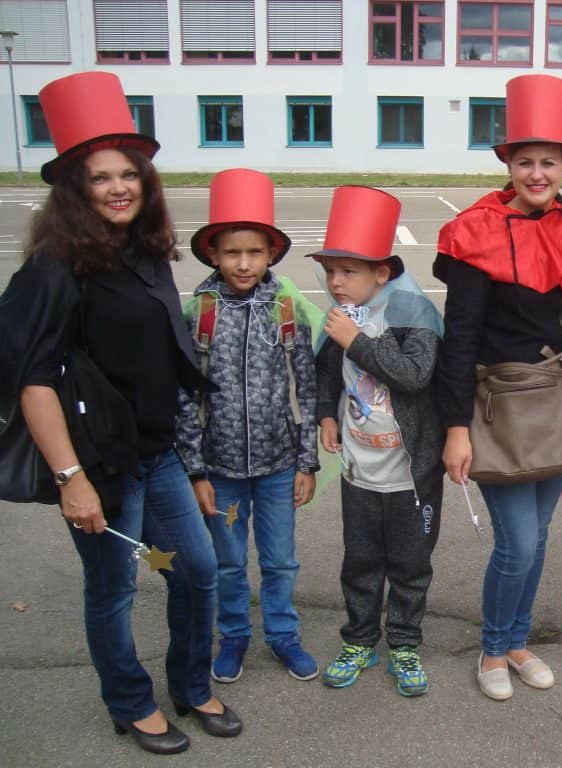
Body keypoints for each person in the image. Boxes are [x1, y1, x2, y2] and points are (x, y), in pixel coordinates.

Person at [0, 72, 240, 754]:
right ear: (74, 188)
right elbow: (32, 380)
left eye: (127, 173)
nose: (117, 188)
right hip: (101, 467)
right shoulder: (55, 269)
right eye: (98, 177)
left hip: (158, 456)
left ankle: (192, 686)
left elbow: (164, 367)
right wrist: (70, 477)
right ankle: (129, 702)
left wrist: (191, 462)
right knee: (112, 590)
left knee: (195, 570)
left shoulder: (146, 253)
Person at [433, 74, 562, 701]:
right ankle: (494, 647)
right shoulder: (476, 230)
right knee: (518, 544)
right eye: (525, 161)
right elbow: (460, 339)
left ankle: (521, 639)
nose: (537, 173)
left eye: (548, 162)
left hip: (555, 396)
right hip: (497, 404)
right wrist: (456, 428)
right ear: (508, 163)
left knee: (541, 537)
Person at [176, 169, 322, 684]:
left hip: (280, 467)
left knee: (281, 561)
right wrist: (195, 470)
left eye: (254, 252)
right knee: (229, 563)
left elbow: (305, 390)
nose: (243, 263)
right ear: (214, 255)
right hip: (222, 470)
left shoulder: (286, 312)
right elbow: (184, 397)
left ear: (270, 256)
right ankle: (234, 635)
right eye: (232, 252)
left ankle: (283, 635)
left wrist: (308, 462)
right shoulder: (199, 314)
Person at [313, 186, 444, 697]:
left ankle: (406, 643)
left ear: (382, 273)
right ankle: (360, 638)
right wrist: (326, 414)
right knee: (361, 560)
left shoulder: (413, 317)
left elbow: (414, 377)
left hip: (411, 475)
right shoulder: (342, 320)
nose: (336, 282)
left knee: (411, 564)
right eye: (330, 271)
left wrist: (357, 341)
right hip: (359, 471)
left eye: (349, 271)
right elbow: (327, 370)